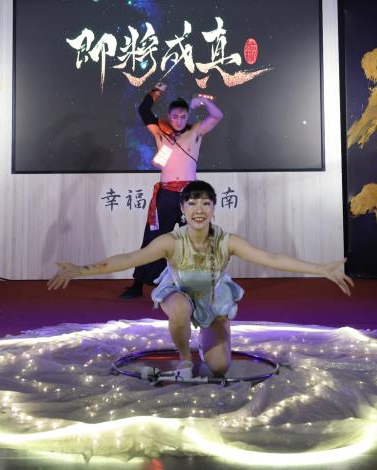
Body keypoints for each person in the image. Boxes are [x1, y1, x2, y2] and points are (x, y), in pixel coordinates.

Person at [49, 180, 353, 378]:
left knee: (219, 367)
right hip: (178, 293)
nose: (199, 210)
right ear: (182, 209)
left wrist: (321, 269)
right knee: (181, 308)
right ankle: (184, 357)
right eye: (192, 203)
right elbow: (130, 258)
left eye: (205, 203)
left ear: (213, 209)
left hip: (213, 298)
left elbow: (271, 258)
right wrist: (81, 270)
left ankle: (213, 332)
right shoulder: (170, 241)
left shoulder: (227, 240)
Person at [120, 82, 223, 299]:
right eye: (175, 116)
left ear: (187, 116)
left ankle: (196, 286)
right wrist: (157, 91)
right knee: (153, 239)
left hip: (190, 197)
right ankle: (138, 285)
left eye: (183, 116)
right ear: (169, 115)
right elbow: (143, 110)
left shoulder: (195, 132)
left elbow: (217, 116)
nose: (179, 120)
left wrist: (203, 101)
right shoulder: (160, 131)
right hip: (166, 194)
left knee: (194, 241)